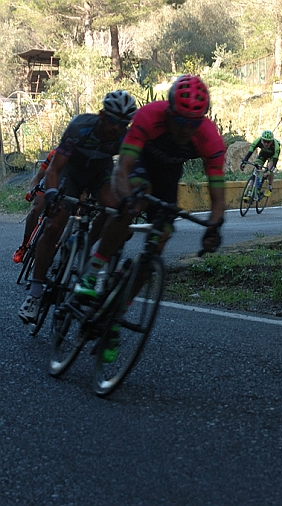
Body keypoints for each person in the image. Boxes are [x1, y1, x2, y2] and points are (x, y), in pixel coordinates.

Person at [72, 75, 225, 362]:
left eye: (193, 123)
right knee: (135, 201)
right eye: (180, 121)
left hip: (168, 176)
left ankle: (114, 315)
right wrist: (125, 198)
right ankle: (92, 273)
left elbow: (218, 198)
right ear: (169, 111)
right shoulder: (148, 117)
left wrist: (215, 227)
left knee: (161, 239)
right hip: (139, 163)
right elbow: (122, 169)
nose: (185, 130)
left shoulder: (208, 137)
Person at [18, 91, 137, 325]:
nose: (117, 127)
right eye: (113, 120)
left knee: (115, 209)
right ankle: (35, 293)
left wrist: (129, 200)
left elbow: (126, 170)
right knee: (53, 226)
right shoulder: (80, 126)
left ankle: (88, 246)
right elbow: (55, 168)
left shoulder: (125, 137)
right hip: (70, 172)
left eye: (124, 123)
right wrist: (51, 194)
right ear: (102, 115)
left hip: (99, 172)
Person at [13, 148, 55, 263]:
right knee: (36, 209)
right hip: (46, 186)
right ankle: (23, 246)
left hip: (64, 189)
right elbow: (37, 177)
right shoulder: (54, 154)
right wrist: (31, 191)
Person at [239, 129, 281, 198]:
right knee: (256, 169)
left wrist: (270, 171)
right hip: (263, 154)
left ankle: (269, 187)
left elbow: (274, 163)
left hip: (272, 156)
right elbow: (250, 152)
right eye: (264, 141)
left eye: (268, 142)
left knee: (269, 168)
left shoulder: (276, 146)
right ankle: (250, 192)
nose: (266, 144)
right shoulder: (258, 141)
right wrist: (244, 162)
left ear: (272, 141)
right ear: (262, 140)